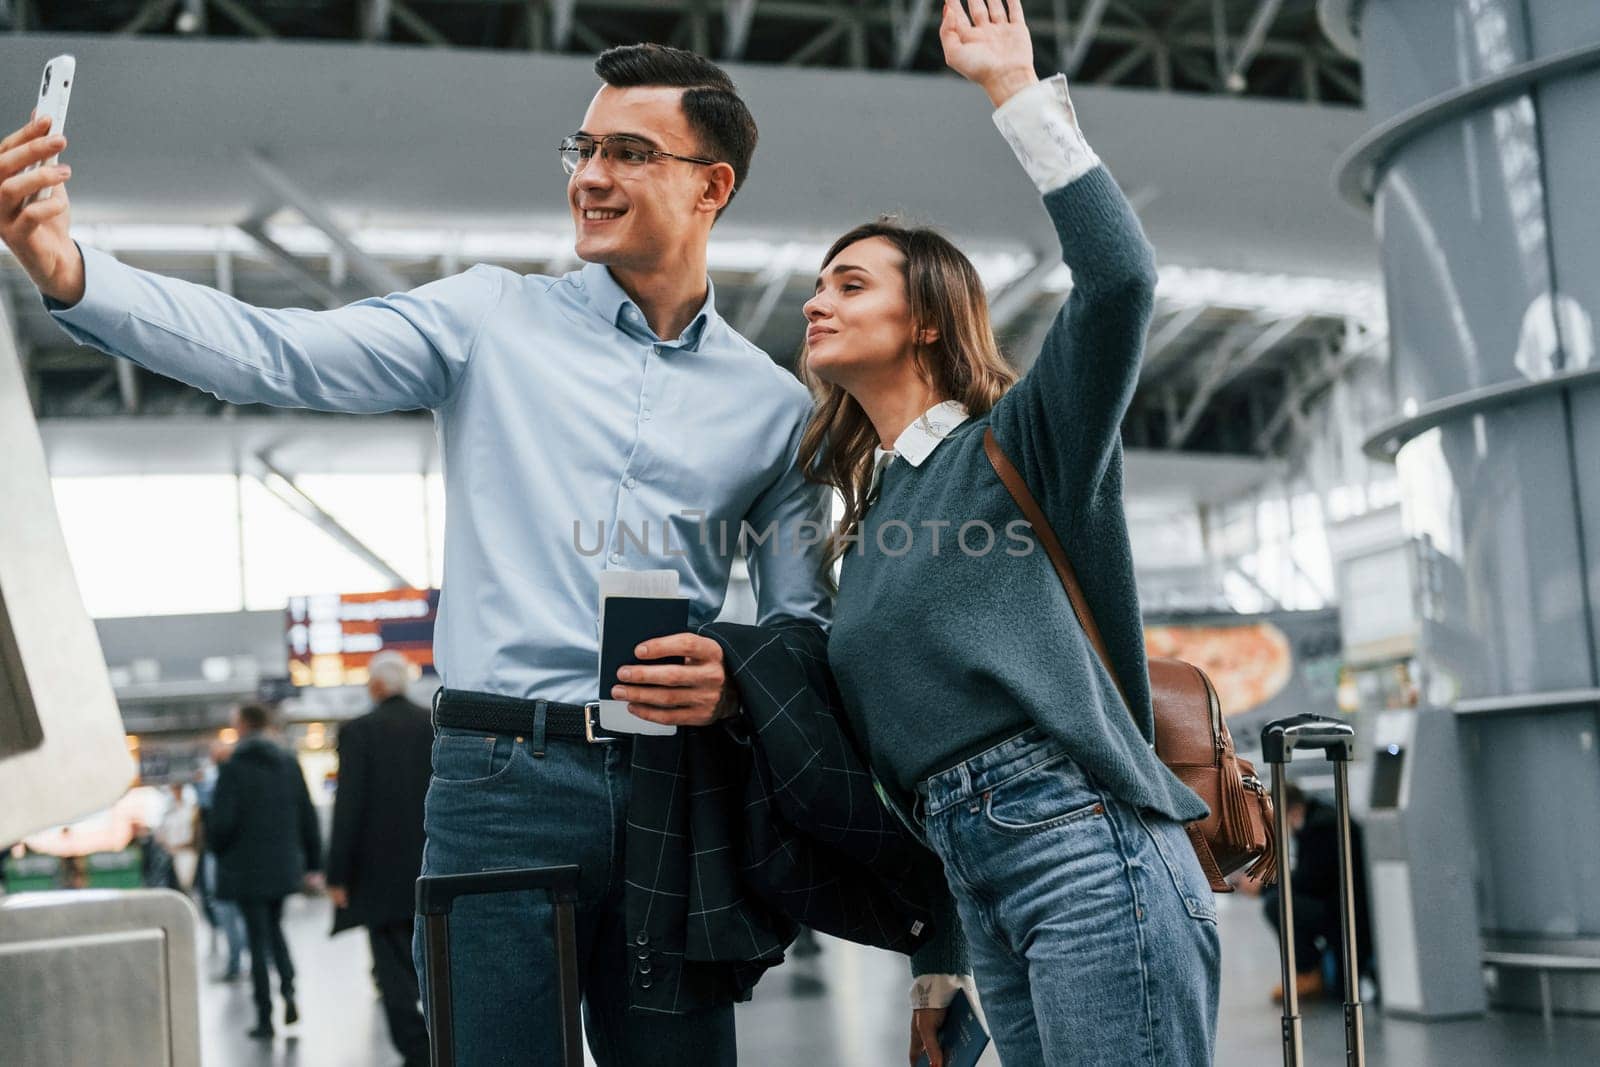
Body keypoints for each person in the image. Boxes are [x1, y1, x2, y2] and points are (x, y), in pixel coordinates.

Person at [0, 42, 827, 1065]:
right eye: (582, 146)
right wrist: (71, 270)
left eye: (627, 150)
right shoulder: (489, 318)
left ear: (712, 186)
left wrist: (736, 678)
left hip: (671, 782)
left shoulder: (776, 409)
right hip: (499, 780)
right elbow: (277, 351)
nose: (589, 174)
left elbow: (802, 627)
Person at [796, 3, 1220, 1063]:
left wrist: (1012, 91)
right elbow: (915, 759)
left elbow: (1121, 282)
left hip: (1083, 841)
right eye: (815, 283)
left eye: (849, 282)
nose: (815, 301)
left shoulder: (1023, 443)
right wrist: (941, 959)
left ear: (928, 317)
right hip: (974, 871)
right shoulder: (872, 524)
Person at [325, 651, 433, 1067]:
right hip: (430, 864)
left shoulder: (358, 732)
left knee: (391, 969)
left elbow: (348, 807)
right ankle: (443, 1040)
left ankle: (415, 1051)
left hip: (378, 874)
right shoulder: (432, 724)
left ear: (374, 686)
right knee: (435, 959)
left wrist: (338, 875)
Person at [208, 703, 324, 1040]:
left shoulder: (233, 768)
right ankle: (288, 990)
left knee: (256, 939)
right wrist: (313, 862)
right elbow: (307, 814)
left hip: (245, 868)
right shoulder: (288, 762)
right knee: (275, 928)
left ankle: (264, 1016)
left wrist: (217, 846)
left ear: (244, 725)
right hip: (281, 865)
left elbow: (222, 824)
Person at [1239, 783, 1373, 1003]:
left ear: (1290, 811)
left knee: (1278, 905)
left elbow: (1309, 881)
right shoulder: (1322, 820)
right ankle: (1309, 972)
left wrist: (1263, 886)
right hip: (1345, 906)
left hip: (1348, 914)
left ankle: (1307, 972)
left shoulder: (1321, 828)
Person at [196, 742, 249, 981]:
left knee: (230, 909)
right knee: (232, 910)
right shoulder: (227, 780)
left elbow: (217, 818)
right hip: (231, 854)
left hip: (224, 855)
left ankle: (239, 960)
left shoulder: (223, 781)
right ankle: (242, 959)